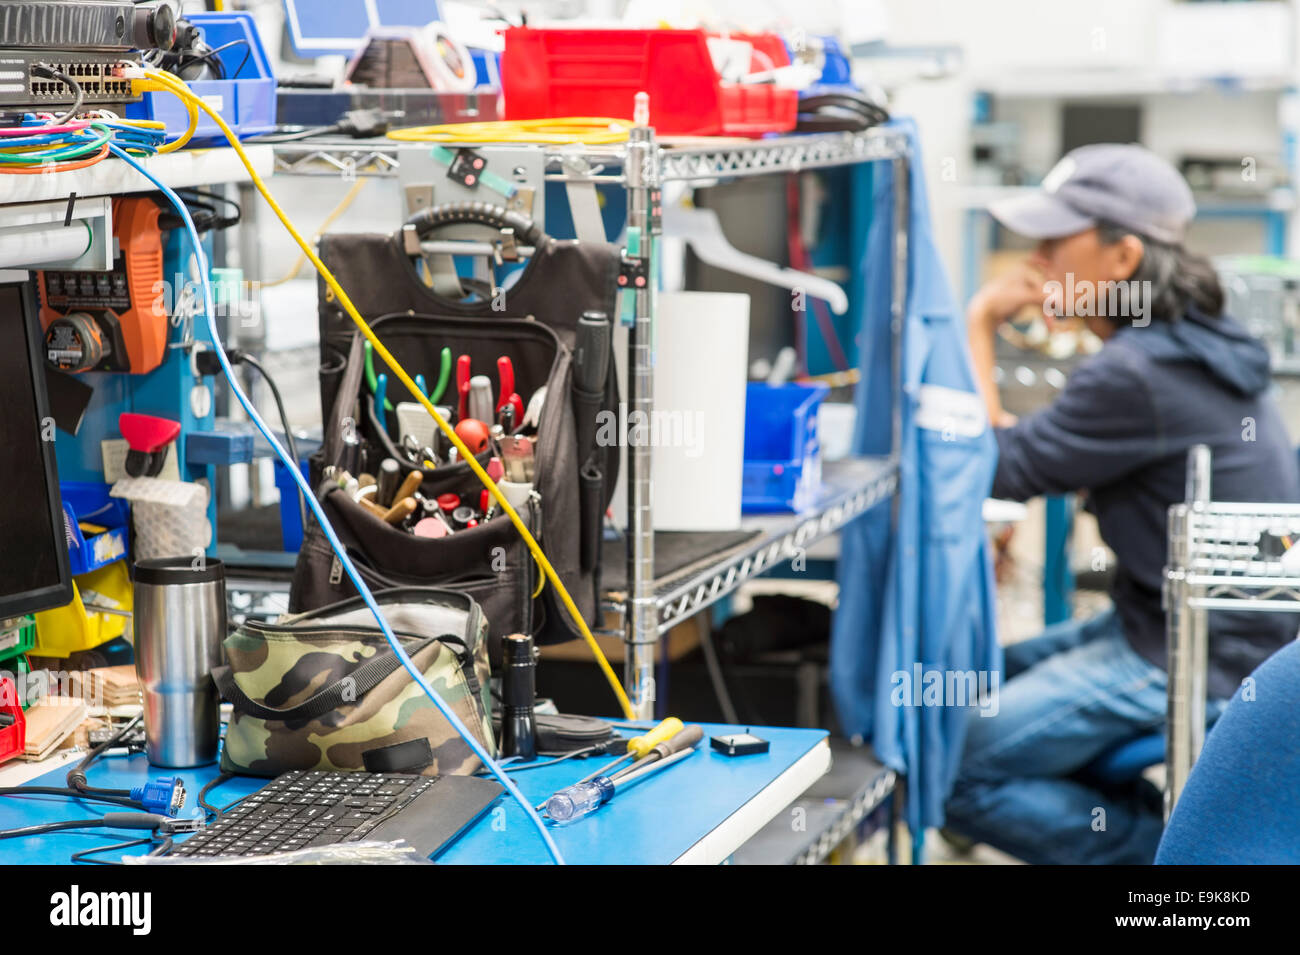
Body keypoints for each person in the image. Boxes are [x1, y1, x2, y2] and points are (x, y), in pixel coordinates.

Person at [945, 143, 1300, 864]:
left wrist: (981, 320)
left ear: (1122, 257)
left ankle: (1162, 859)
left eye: (1054, 240)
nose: (1036, 258)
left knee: (951, 761)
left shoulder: (1135, 370)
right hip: (1189, 627)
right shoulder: (1192, 340)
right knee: (978, 681)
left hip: (1195, 655)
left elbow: (993, 466)